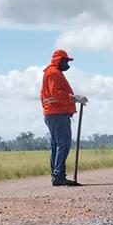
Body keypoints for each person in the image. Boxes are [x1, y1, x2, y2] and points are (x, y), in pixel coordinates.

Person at [40, 49, 87, 187]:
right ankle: (58, 176)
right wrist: (73, 98)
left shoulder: (52, 73)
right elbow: (55, 93)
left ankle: (57, 175)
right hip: (57, 114)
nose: (67, 64)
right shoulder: (54, 73)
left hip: (53, 114)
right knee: (63, 144)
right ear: (58, 60)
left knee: (57, 145)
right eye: (65, 61)